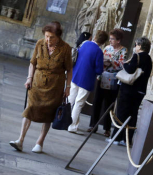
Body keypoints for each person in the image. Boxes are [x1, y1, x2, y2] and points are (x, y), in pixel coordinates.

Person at [9, 21, 72, 153]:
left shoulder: (65, 48)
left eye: (52, 37)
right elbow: (32, 63)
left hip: (55, 86)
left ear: (58, 36)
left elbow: (69, 70)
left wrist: (67, 88)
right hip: (37, 83)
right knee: (30, 108)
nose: (48, 40)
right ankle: (20, 140)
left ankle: (39, 142)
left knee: (49, 114)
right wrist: (29, 78)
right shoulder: (39, 43)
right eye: (46, 36)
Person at [110, 37, 152, 146]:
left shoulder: (137, 56)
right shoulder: (148, 58)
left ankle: (116, 137)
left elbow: (130, 69)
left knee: (122, 113)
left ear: (140, 46)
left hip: (129, 89)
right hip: (140, 91)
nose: (135, 47)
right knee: (133, 114)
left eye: (136, 45)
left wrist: (125, 63)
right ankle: (127, 139)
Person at [67, 31, 109, 134]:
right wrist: (105, 64)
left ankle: (63, 120)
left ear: (95, 37)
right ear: (103, 42)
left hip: (76, 75)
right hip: (87, 80)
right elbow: (99, 70)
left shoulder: (85, 43)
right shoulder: (99, 52)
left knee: (70, 99)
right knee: (79, 103)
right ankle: (72, 126)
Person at [88, 29, 127, 137]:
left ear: (118, 40)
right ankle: (93, 125)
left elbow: (121, 65)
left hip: (114, 78)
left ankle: (107, 128)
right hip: (103, 76)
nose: (110, 41)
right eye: (110, 38)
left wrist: (111, 62)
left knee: (109, 104)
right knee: (97, 102)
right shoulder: (106, 48)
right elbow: (100, 61)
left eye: (112, 39)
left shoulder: (123, 51)